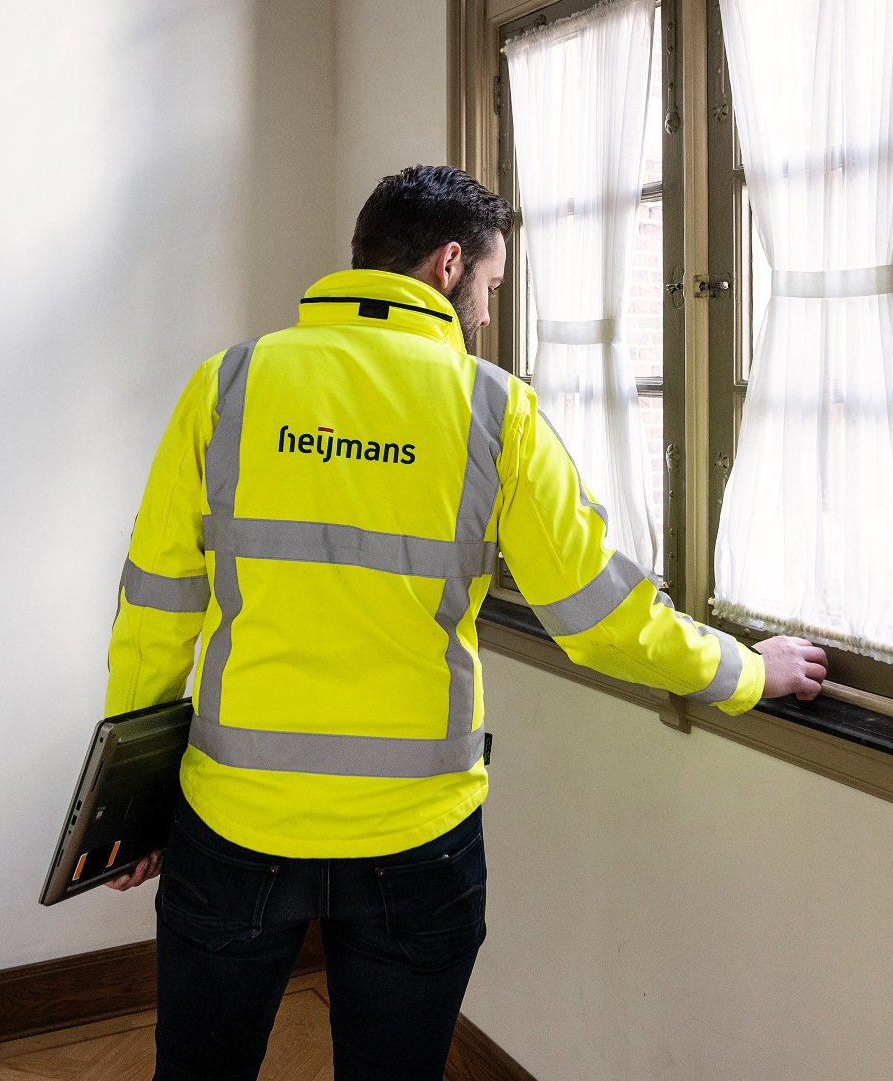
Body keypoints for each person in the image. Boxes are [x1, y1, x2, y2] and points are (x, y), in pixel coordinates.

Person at [102, 164, 827, 1081]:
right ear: (449, 265)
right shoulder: (494, 409)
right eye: (488, 284)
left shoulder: (229, 385)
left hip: (237, 820)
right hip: (416, 838)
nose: (486, 310)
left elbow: (156, 608)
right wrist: (748, 672)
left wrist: (130, 803)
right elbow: (602, 617)